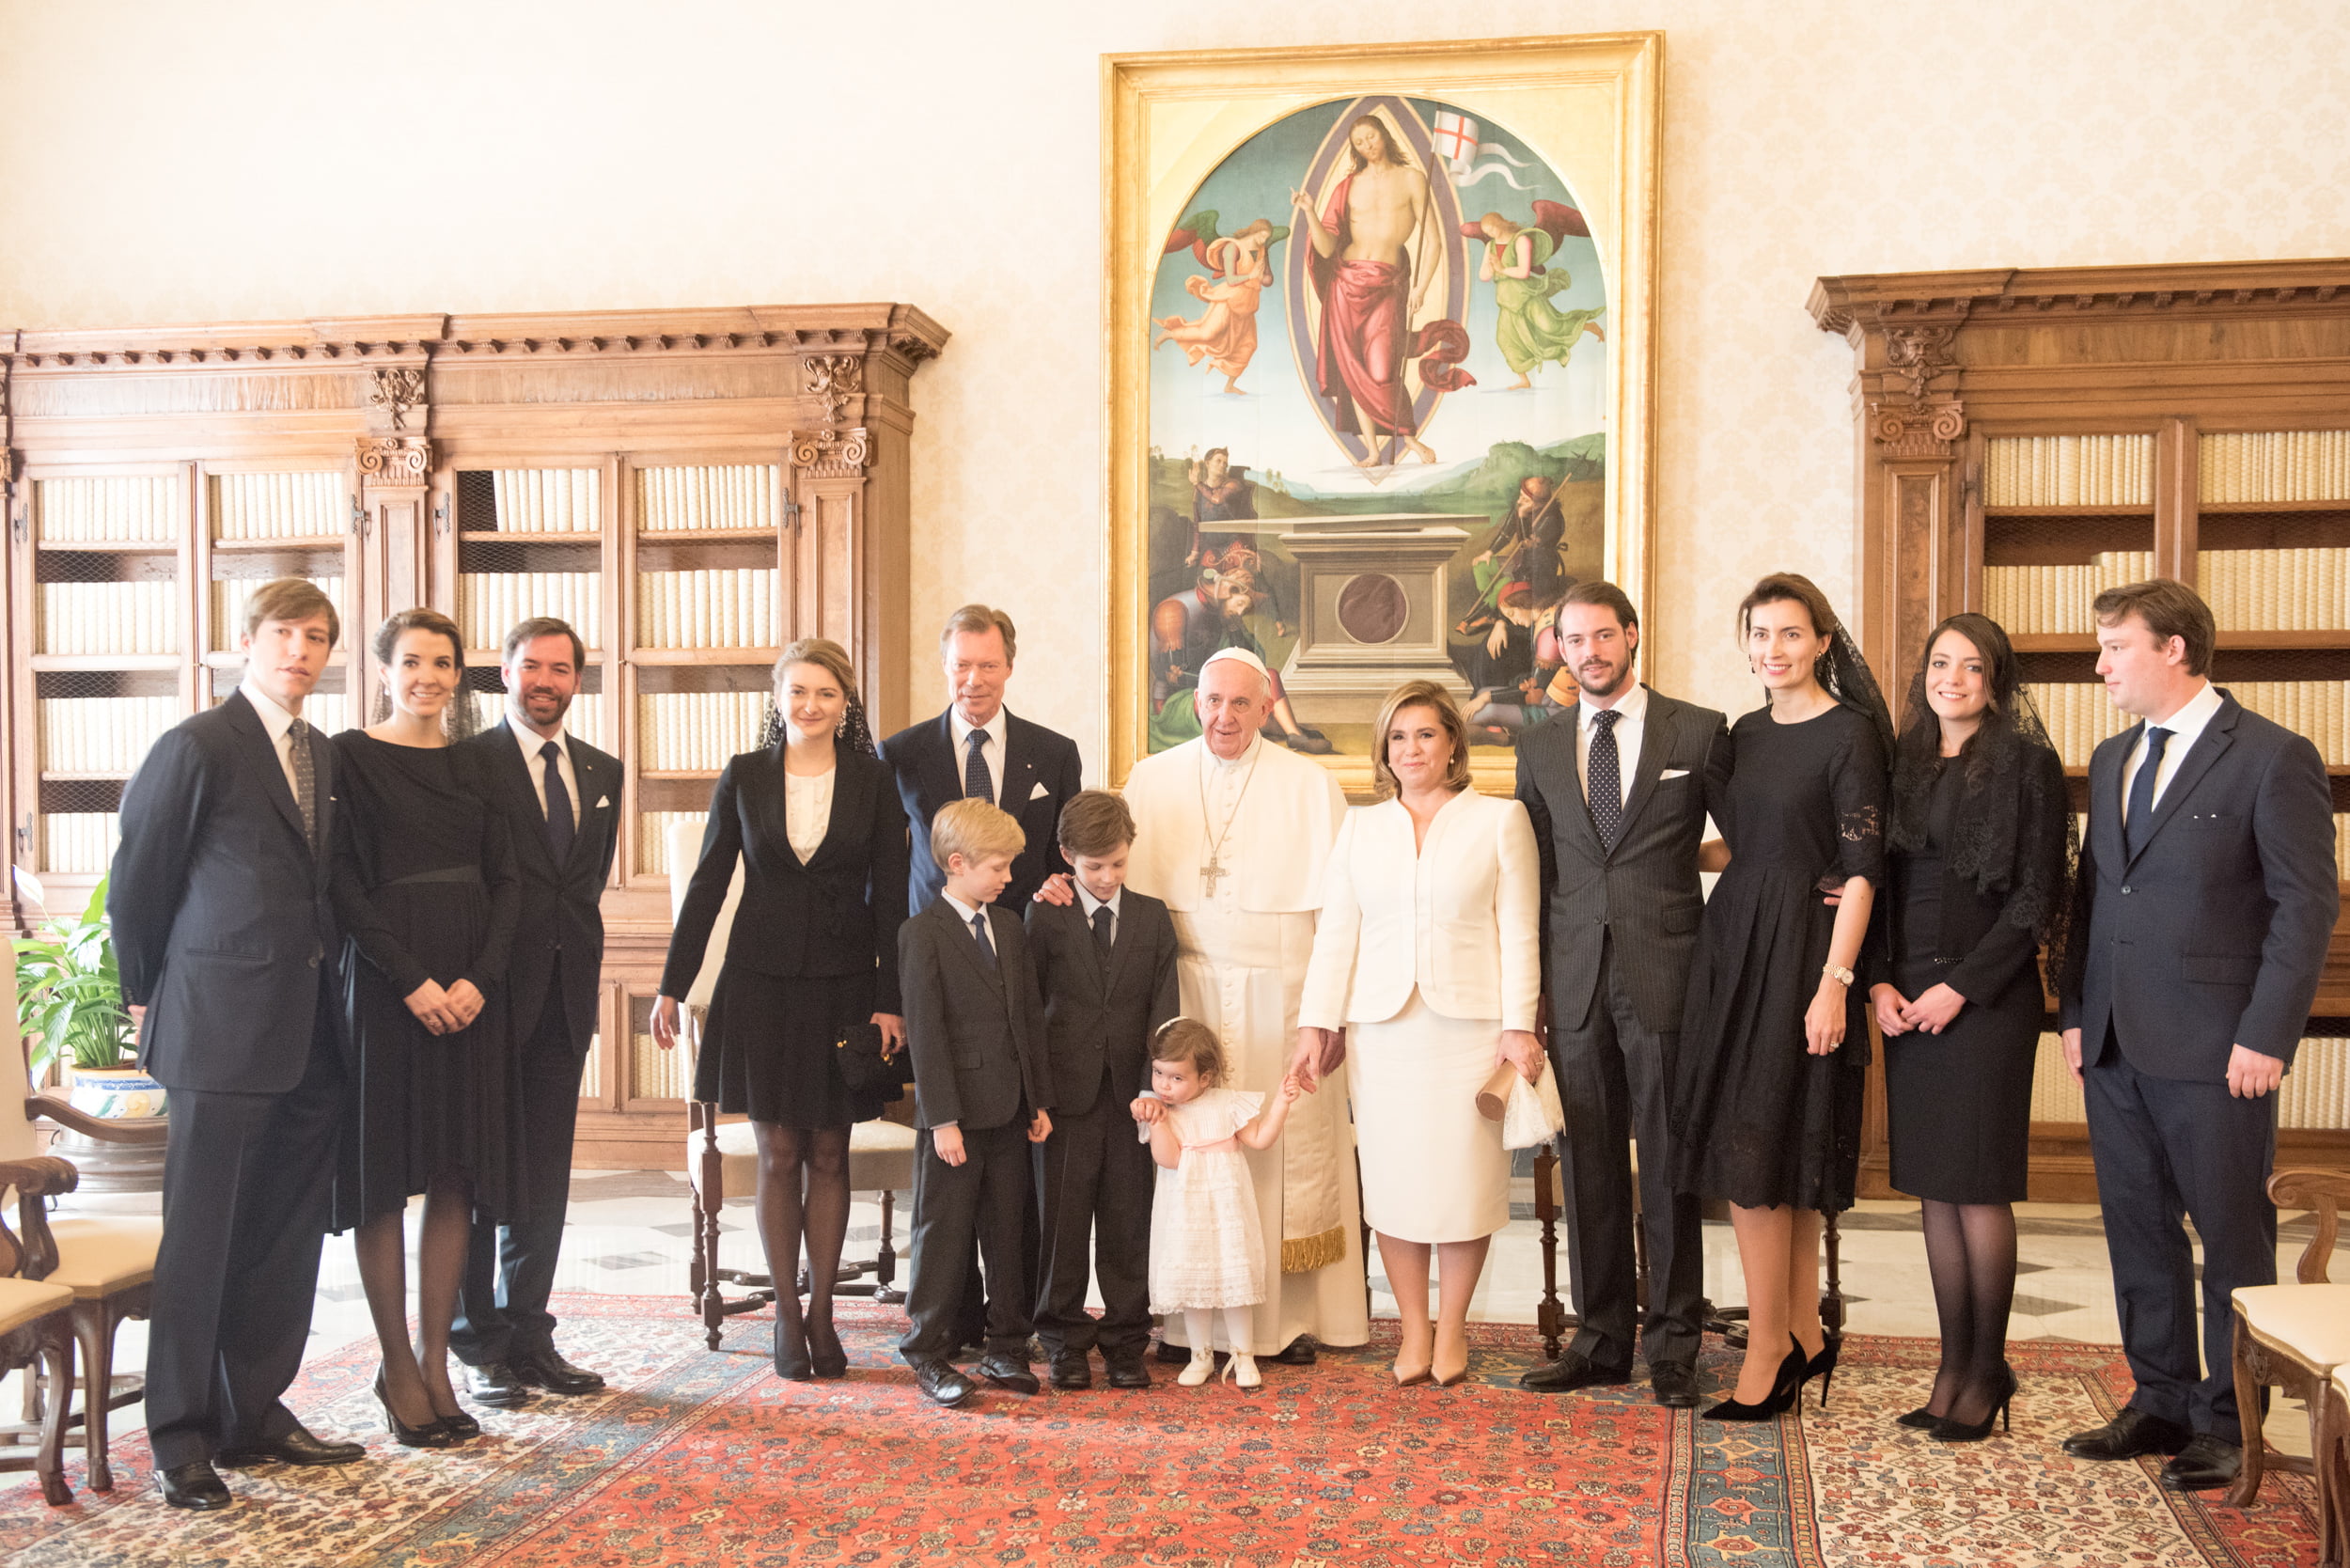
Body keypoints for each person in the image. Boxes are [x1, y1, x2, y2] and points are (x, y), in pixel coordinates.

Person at [2057, 579, 2336, 1493]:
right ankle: (2161, 1400)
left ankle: (2229, 1421)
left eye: (2114, 647)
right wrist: (2074, 1013)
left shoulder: (2272, 756)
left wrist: (2267, 1034)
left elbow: (2305, 907)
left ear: (2172, 649)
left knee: (2231, 1239)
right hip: (2111, 1041)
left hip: (2221, 1049)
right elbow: (2094, 898)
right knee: (2138, 1233)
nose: (2100, 666)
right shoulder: (2111, 757)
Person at [112, 577, 367, 1510]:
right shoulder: (197, 745)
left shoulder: (322, 754)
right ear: (249, 640)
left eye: (317, 637)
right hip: (216, 1028)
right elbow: (138, 884)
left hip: (311, 1030)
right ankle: (180, 1436)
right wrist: (147, 998)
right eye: (286, 633)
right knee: (203, 1239)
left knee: (283, 1234)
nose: (301, 650)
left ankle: (252, 1411)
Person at [650, 638, 910, 1381]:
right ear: (777, 697)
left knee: (828, 1153)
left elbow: (892, 896)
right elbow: (707, 885)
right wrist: (672, 985)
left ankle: (824, 1312)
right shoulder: (744, 775)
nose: (810, 705)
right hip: (758, 987)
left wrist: (890, 1001)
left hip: (843, 987)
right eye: (797, 690)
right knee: (779, 1154)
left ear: (845, 703)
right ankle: (787, 1319)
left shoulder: (874, 781)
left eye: (826, 692)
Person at [1108, 645, 1369, 1364]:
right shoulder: (1152, 779)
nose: (1225, 716)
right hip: (1185, 992)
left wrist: (1325, 1015)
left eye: (1242, 703)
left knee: (1278, 1147)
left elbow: (1339, 917)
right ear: (1196, 702)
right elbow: (1114, 884)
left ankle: (1284, 1324)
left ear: (1266, 706)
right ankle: (1186, 1323)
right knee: (1192, 1155)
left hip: (1281, 999)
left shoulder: (1310, 785)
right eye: (1214, 701)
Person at [1670, 572, 1890, 1421]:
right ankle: (1799, 1332)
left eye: (1791, 633)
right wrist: (1660, 856)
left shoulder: (1851, 733)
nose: (1774, 649)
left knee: (1758, 1150)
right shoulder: (1743, 734)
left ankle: (1765, 1351)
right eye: (1759, 633)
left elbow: (1861, 871)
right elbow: (1747, 845)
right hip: (1735, 946)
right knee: (1770, 1151)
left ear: (1823, 642)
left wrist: (1835, 985)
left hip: (1805, 953)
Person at [1512, 581, 1729, 1410]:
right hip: (1573, 979)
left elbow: (1748, 839)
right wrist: (1530, 991)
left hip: (1667, 972)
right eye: (1574, 640)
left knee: (1669, 1160)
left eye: (1603, 635)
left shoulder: (1696, 730)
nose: (1589, 652)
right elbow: (1531, 873)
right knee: (1589, 1163)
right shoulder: (1538, 745)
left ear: (1631, 636)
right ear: (1560, 649)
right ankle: (1600, 1340)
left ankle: (1674, 1345)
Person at [1296, 681, 1539, 1387]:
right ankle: (1413, 1330)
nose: (1411, 749)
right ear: (1384, 749)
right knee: (1395, 1186)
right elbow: (1337, 934)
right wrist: (1317, 1022)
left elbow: (1520, 931)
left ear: (1453, 743)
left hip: (1472, 1031)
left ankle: (1452, 1328)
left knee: (1465, 1185)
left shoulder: (1500, 820)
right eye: (1398, 737)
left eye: (1426, 734)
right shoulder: (1361, 827)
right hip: (1383, 1033)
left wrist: (1518, 1026)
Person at [1867, 614, 2073, 1442]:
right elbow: (1876, 884)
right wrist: (1880, 981)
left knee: (1978, 1184)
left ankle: (1987, 1369)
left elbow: (2038, 896)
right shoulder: (1906, 761)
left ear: (1997, 681)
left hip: (1985, 1000)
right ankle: (1952, 1369)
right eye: (1939, 663)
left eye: (1972, 666)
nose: (1951, 678)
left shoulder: (2027, 765)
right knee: (1935, 1187)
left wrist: (1962, 988)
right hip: (1908, 996)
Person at [329, 608, 523, 1449]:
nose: (428, 678)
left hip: (473, 989)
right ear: (383, 671)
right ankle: (396, 1365)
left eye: (442, 663)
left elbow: (510, 881)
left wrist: (480, 979)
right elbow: (341, 884)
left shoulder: (481, 763)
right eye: (411, 662)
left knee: (454, 1175)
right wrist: (410, 980)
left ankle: (438, 1362)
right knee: (382, 1179)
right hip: (386, 989)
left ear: (458, 675)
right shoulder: (348, 756)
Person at [878, 604, 1081, 1347]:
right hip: (937, 968)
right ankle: (947, 1321)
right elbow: (883, 873)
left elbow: (1061, 862)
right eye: (961, 665)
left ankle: (1009, 1324)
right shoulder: (900, 754)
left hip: (1020, 974)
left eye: (987, 664)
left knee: (1010, 1181)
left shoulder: (1054, 753)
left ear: (1009, 667)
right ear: (945, 667)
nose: (973, 679)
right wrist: (887, 995)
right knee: (951, 1164)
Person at [450, 618, 622, 1407]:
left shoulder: (602, 771)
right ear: (505, 673)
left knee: (545, 1176)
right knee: (479, 1172)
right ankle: (475, 1340)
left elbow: (578, 888)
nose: (544, 681)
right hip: (487, 996)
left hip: (565, 996)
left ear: (577, 680)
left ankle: (528, 1333)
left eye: (559, 669)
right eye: (530, 666)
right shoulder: (467, 765)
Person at [897, 799, 1055, 1407]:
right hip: (954, 1119)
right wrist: (942, 1119)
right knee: (943, 1235)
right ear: (957, 863)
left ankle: (1006, 1345)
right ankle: (927, 1351)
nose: (1008, 877)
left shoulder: (1009, 927)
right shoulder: (922, 934)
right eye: (998, 867)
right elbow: (926, 1033)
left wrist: (1038, 1101)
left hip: (1011, 1110)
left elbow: (1028, 1021)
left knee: (1009, 1232)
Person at [1026, 790, 1181, 1391]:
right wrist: (1037, 1097)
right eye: (1094, 866)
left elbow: (1163, 1010)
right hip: (1065, 1101)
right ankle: (1063, 1341)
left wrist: (1154, 1089)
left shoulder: (1152, 917)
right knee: (1062, 1226)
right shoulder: (1045, 915)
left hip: (1131, 1100)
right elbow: (1029, 1010)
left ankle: (1125, 1342)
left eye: (1118, 863)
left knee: (1127, 1223)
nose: (1108, 877)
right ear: (1067, 857)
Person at [1289, 114, 1472, 466]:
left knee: (1381, 370)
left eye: (1371, 137)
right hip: (1346, 285)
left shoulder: (1412, 178)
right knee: (1354, 371)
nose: (1367, 146)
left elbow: (1434, 241)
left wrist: (1421, 287)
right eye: (1359, 143)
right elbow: (1326, 249)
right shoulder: (1348, 186)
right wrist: (1310, 212)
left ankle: (1410, 438)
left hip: (1387, 286)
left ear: (1384, 135)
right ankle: (1374, 451)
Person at [1141, 1018, 1302, 1389]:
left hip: (1226, 1207)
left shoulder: (1228, 1104)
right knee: (1195, 1284)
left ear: (1205, 1077)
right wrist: (1159, 1122)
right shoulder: (1161, 1111)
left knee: (1234, 1281)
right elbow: (1168, 1159)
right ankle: (1200, 1356)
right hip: (1186, 1213)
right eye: (1158, 1073)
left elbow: (1260, 1138)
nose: (1164, 1084)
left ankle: (1243, 1355)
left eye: (1176, 1077)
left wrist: (1282, 1102)